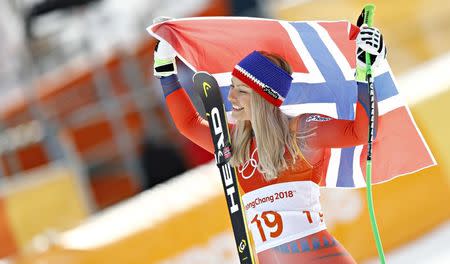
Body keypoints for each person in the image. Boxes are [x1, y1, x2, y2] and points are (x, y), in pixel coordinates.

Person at [152, 18, 386, 263]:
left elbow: (361, 132)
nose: (231, 96)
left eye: (242, 91)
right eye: (232, 87)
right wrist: (165, 71)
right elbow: (188, 124)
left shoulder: (303, 131)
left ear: (264, 99)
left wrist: (366, 71)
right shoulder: (235, 143)